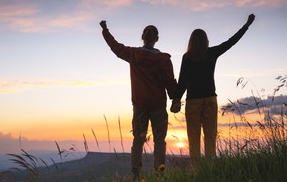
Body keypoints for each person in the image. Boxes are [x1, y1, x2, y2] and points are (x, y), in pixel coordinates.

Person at [99, 20, 177, 180]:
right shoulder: (163, 59)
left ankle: (136, 174)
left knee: (138, 140)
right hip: (158, 106)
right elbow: (170, 81)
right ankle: (159, 174)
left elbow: (115, 46)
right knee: (160, 141)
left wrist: (105, 30)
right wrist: (175, 100)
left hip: (140, 105)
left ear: (142, 37)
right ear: (157, 39)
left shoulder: (134, 54)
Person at [171, 14, 255, 159]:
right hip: (210, 100)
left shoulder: (187, 57)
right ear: (206, 41)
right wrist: (246, 26)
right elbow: (231, 42)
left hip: (193, 102)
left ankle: (197, 171)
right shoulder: (211, 53)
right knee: (210, 138)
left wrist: (176, 99)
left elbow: (183, 81)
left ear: (191, 41)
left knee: (193, 139)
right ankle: (210, 169)